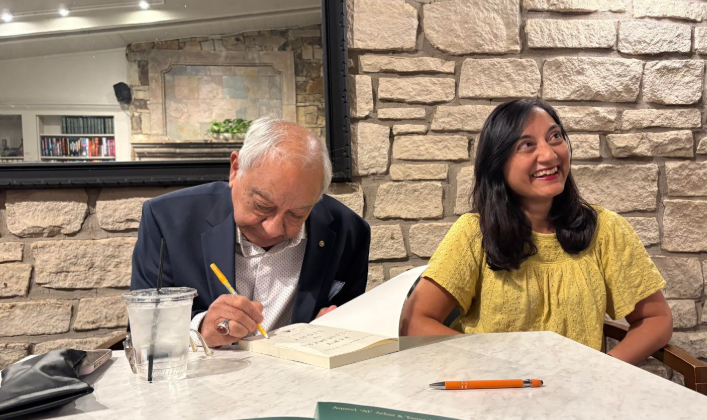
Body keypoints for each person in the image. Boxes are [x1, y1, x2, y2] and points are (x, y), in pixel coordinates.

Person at [400, 99, 672, 365]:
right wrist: (495, 365)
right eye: (527, 145)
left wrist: (602, 371)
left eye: (555, 137)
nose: (549, 155)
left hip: (578, 397)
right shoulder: (475, 233)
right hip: (494, 394)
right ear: (498, 163)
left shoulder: (605, 229)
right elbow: (416, 323)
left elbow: (656, 319)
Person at [131, 117, 371, 348]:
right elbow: (144, 329)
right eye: (262, 206)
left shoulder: (348, 231)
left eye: (297, 214)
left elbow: (351, 324)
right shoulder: (168, 220)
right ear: (235, 169)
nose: (274, 228)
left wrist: (338, 327)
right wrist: (201, 328)